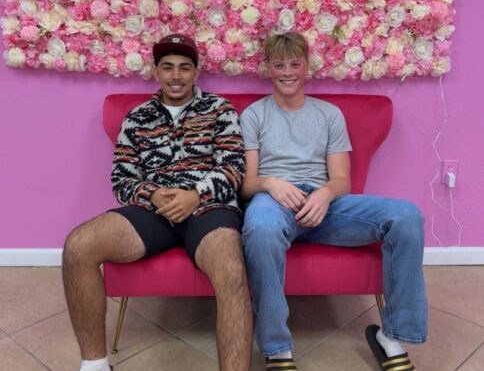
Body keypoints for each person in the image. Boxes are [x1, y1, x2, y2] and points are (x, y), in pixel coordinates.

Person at [63, 34, 253, 371]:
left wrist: (196, 195)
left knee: (233, 272)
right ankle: (94, 364)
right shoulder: (137, 118)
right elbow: (122, 179)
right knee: (78, 245)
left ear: (196, 72)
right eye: (167, 67)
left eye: (184, 67)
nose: (176, 75)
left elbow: (234, 169)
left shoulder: (220, 109)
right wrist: (151, 193)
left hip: (209, 208)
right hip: (153, 210)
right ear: (156, 72)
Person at [239, 32, 427, 371]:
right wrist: (271, 183)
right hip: (275, 202)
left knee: (406, 215)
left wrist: (324, 195)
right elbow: (247, 185)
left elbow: (342, 180)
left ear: (306, 67)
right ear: (268, 69)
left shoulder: (329, 114)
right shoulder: (253, 115)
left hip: (325, 204)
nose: (287, 72)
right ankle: (277, 347)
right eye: (279, 65)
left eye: (294, 64)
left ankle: (392, 335)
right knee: (261, 227)